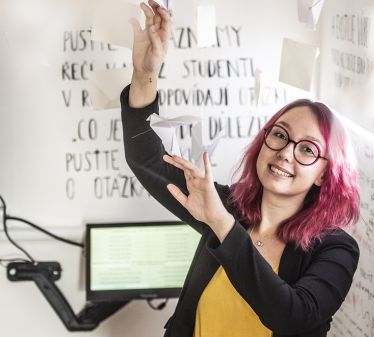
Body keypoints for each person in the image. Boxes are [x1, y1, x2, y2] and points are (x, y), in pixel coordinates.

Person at [121, 1, 361, 336]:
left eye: (307, 149)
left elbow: (291, 317)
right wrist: (145, 72)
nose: (286, 153)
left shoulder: (336, 249)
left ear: (325, 173)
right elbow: (145, 158)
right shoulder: (228, 206)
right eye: (279, 135)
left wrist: (220, 222)